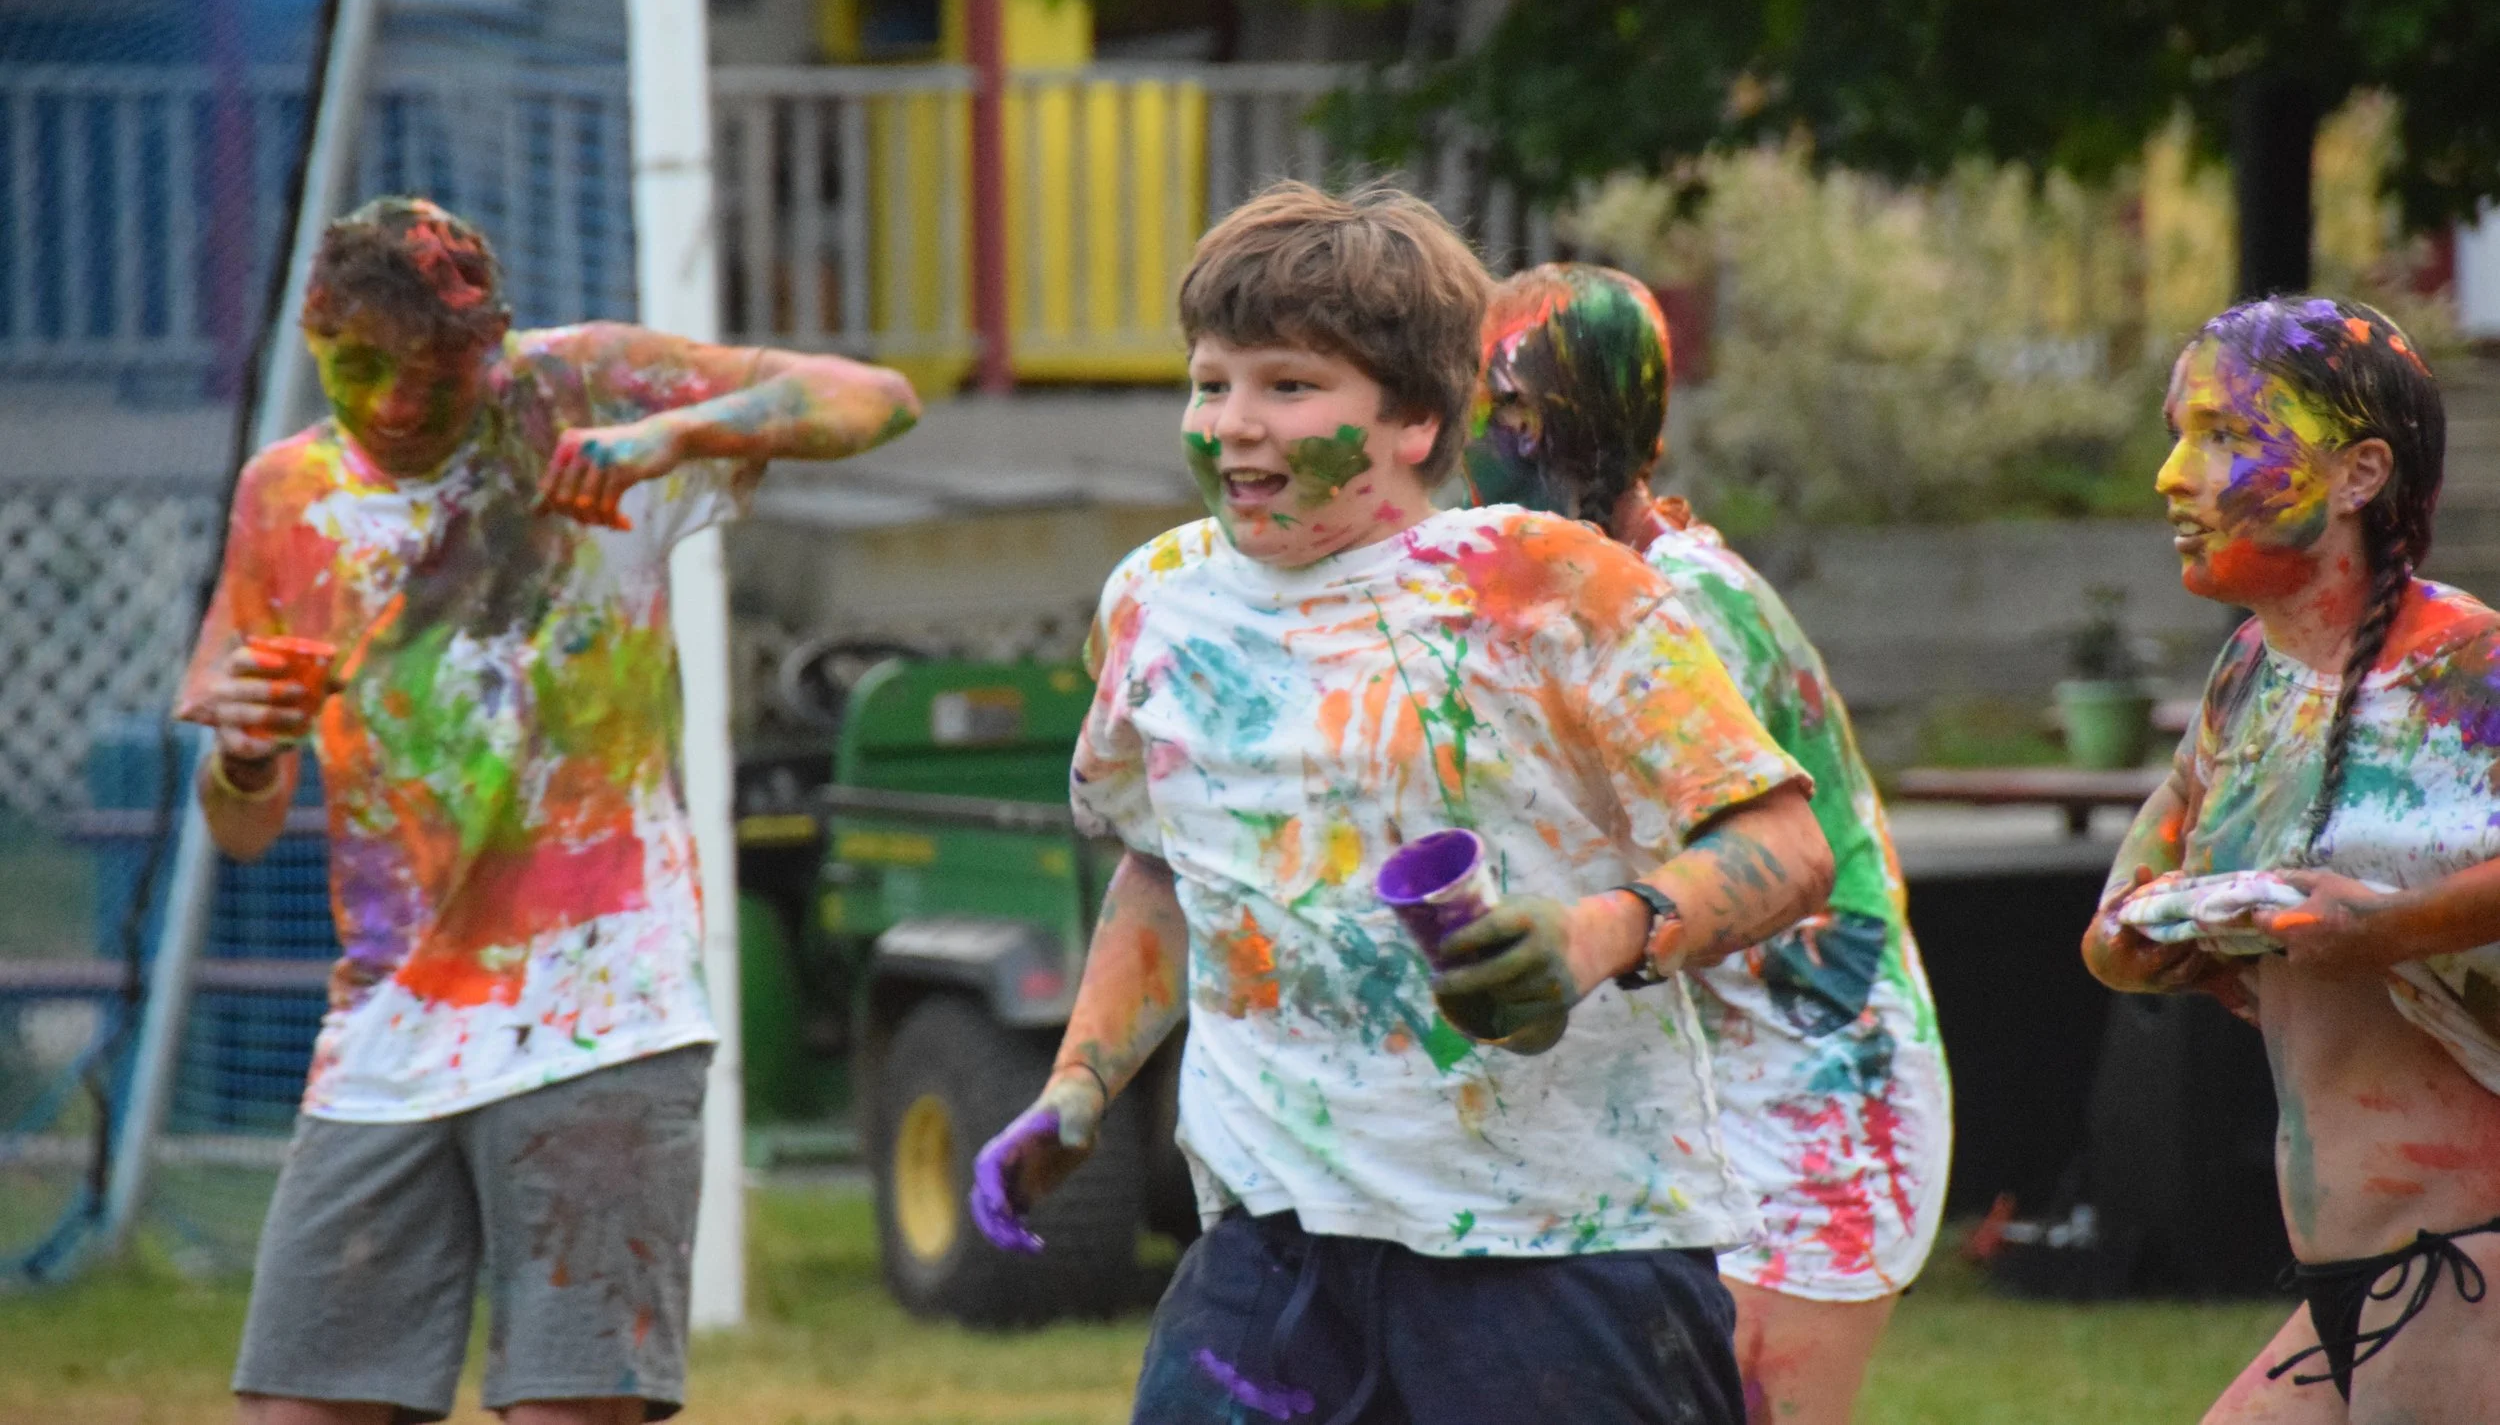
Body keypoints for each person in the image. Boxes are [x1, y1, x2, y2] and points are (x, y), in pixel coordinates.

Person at [969, 182, 1837, 1425]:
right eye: (1211, 383)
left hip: (1564, 1244)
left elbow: (1785, 844)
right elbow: (1168, 870)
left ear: (1419, 420)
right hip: (1273, 1247)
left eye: (1287, 386)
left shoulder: (1549, 586)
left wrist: (1595, 934)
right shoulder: (1155, 604)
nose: (1233, 427)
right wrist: (1081, 1082)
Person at [178, 196, 919, 1425]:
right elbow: (239, 822)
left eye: (435, 372)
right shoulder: (286, 497)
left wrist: (670, 438)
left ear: (493, 347)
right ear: (318, 345)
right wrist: (247, 760)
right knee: (296, 1406)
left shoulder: (582, 392)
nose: (396, 404)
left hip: (604, 1015)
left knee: (567, 1407)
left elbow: (877, 396)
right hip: (386, 1036)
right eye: (358, 369)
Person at [1463, 263, 1951, 1425]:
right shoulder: (1592, 584)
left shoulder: (1674, 604)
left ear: (1533, 422)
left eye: (1478, 404)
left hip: (1820, 1097)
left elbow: (1743, 867)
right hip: (1708, 1097)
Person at [2081, 296, 2500, 1424]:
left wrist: (2384, 929)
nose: (2173, 473)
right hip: (2351, 1275)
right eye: (2178, 431)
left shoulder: (2473, 673)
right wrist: (2178, 937)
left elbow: (2398, 920)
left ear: (2358, 473)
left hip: (2468, 1260)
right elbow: (2118, 919)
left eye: (2220, 434)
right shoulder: (2249, 679)